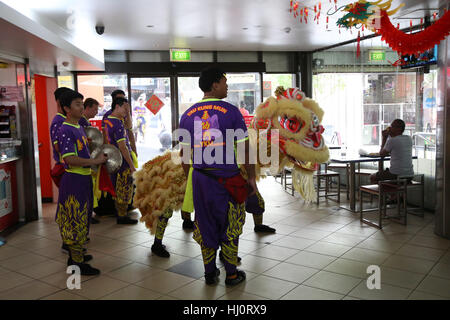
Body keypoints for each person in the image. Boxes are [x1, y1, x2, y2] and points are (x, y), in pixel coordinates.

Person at [178, 67, 256, 286]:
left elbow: (184, 156)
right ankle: (231, 274)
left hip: (200, 179)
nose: (227, 85)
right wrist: (251, 178)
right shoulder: (232, 113)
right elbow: (245, 151)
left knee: (205, 224)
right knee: (230, 224)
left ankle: (209, 273)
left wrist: (190, 181)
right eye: (224, 81)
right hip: (228, 178)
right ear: (214, 85)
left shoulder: (187, 114)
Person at [56, 90, 107, 275]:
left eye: (81, 103)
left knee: (84, 218)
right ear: (67, 108)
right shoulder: (65, 128)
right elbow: (69, 159)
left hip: (83, 179)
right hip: (74, 180)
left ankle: (74, 258)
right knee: (75, 220)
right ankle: (77, 264)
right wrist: (95, 161)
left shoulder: (78, 126)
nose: (81, 107)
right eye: (77, 104)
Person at [104, 97, 138, 224]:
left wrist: (128, 113)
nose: (127, 111)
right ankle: (122, 216)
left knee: (116, 188)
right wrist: (131, 165)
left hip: (113, 160)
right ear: (117, 106)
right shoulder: (118, 124)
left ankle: (120, 213)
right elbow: (123, 147)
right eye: (125, 108)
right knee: (124, 188)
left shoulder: (107, 120)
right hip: (122, 162)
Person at [370, 119, 414, 184]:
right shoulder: (409, 139)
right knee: (384, 174)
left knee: (372, 177)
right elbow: (397, 147)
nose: (390, 128)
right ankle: (393, 193)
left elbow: (382, 154)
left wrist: (384, 138)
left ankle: (384, 193)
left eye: (392, 126)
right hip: (409, 175)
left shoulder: (392, 140)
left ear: (399, 128)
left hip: (396, 174)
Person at [79, 98, 101, 224]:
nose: (96, 112)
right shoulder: (82, 122)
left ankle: (89, 212)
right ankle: (87, 213)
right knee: (89, 188)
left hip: (89, 159)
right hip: (85, 162)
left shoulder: (85, 121)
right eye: (95, 109)